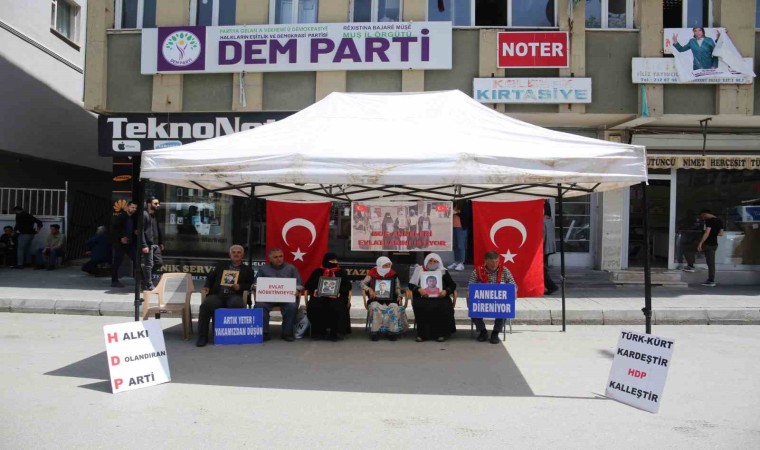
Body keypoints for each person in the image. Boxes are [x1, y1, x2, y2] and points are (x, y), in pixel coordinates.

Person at [196, 245, 255, 347]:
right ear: (230, 254)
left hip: (234, 295)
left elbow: (250, 285)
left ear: (242, 255)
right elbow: (210, 277)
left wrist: (240, 286)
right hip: (218, 294)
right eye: (234, 252)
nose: (236, 254)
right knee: (206, 305)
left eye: (239, 252)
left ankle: (231, 336)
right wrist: (206, 286)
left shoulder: (248, 270)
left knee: (236, 304)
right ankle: (203, 336)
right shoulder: (221, 266)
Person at [254, 248, 303, 342]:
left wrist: (297, 289)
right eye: (275, 257)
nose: (279, 259)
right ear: (270, 258)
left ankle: (287, 333)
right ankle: (264, 333)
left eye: (281, 256)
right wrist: (256, 287)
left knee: (292, 306)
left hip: (286, 298)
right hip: (267, 298)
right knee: (260, 305)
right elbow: (255, 283)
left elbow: (299, 284)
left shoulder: (291, 268)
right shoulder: (263, 269)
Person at [469, 251, 517, 344]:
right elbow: (470, 286)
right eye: (491, 262)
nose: (494, 264)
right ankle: (482, 331)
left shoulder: (504, 271)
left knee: (504, 309)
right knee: (473, 307)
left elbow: (513, 285)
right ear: (486, 261)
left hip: (499, 301)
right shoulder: (478, 271)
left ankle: (496, 332)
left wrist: (511, 290)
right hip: (482, 300)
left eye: (496, 261)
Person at [409, 253, 457, 342]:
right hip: (423, 297)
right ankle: (422, 334)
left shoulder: (443, 271)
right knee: (421, 306)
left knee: (443, 306)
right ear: (426, 261)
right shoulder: (419, 270)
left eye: (435, 261)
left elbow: (452, 285)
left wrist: (446, 291)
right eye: (430, 261)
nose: (432, 263)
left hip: (441, 297)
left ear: (439, 262)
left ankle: (441, 334)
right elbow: (411, 285)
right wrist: (419, 289)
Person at [304, 252, 352, 341]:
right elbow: (308, 285)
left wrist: (338, 291)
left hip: (336, 297)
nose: (334, 262)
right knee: (315, 306)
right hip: (319, 297)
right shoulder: (317, 271)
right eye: (332, 260)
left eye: (336, 260)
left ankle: (335, 332)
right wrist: (317, 288)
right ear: (326, 261)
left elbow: (348, 286)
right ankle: (318, 332)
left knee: (337, 306)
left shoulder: (341, 272)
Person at [360, 256, 406, 341]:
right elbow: (362, 284)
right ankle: (375, 332)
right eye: (385, 265)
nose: (388, 267)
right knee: (375, 308)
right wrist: (369, 289)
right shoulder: (372, 273)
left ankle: (392, 332)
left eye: (389, 265)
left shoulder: (393, 274)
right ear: (380, 265)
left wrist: (399, 295)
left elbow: (397, 287)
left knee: (394, 307)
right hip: (375, 298)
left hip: (391, 298)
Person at [110, 200, 138, 288]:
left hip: (130, 243)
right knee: (117, 262)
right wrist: (121, 238)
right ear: (128, 207)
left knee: (136, 260)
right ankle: (114, 280)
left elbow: (132, 229)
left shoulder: (134, 218)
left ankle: (140, 279)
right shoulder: (121, 217)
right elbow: (114, 229)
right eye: (132, 207)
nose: (134, 209)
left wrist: (135, 232)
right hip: (120, 244)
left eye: (135, 208)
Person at [696, 209, 724, 287]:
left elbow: (707, 232)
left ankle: (690, 265)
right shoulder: (719, 221)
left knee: (688, 249)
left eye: (702, 216)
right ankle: (711, 280)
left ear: (705, 214)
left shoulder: (709, 221)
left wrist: (700, 243)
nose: (702, 218)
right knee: (711, 263)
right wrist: (714, 234)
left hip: (707, 244)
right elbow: (721, 233)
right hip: (714, 244)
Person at [142, 197, 164, 290]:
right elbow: (141, 231)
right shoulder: (144, 214)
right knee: (149, 264)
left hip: (156, 243)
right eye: (155, 203)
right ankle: (148, 284)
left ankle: (145, 279)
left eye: (158, 203)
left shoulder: (154, 215)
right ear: (149, 204)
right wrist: (144, 245)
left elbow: (157, 229)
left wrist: (160, 242)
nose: (158, 205)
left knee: (159, 263)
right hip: (148, 244)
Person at [543, 200, 558, 295]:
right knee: (542, 268)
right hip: (547, 248)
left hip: (544, 248)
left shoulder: (544, 222)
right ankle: (547, 286)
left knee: (541, 268)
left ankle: (551, 286)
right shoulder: (549, 221)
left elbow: (543, 237)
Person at [447, 201, 467, 271]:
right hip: (453, 226)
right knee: (455, 245)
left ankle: (461, 263)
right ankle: (456, 261)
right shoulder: (452, 203)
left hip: (460, 227)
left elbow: (466, 215)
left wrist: (457, 212)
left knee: (460, 245)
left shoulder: (464, 204)